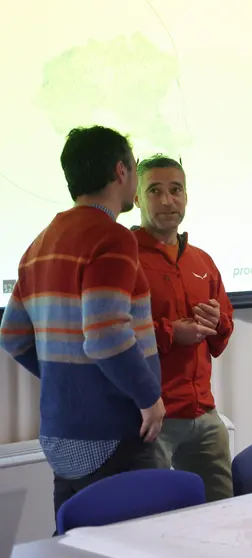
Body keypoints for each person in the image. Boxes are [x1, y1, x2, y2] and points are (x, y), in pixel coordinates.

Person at [0, 126, 165, 519]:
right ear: (121, 172)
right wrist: (149, 399)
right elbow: (107, 334)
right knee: (137, 542)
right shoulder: (112, 237)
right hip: (113, 432)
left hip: (61, 432)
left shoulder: (41, 242)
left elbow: (12, 336)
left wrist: (71, 378)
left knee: (77, 541)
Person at [132, 155, 236, 501]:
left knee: (222, 510)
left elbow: (222, 335)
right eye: (155, 191)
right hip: (152, 418)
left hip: (204, 412)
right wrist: (171, 333)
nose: (167, 200)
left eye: (175, 190)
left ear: (186, 196)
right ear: (136, 198)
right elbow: (112, 333)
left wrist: (215, 322)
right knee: (155, 518)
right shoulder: (125, 257)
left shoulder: (201, 261)